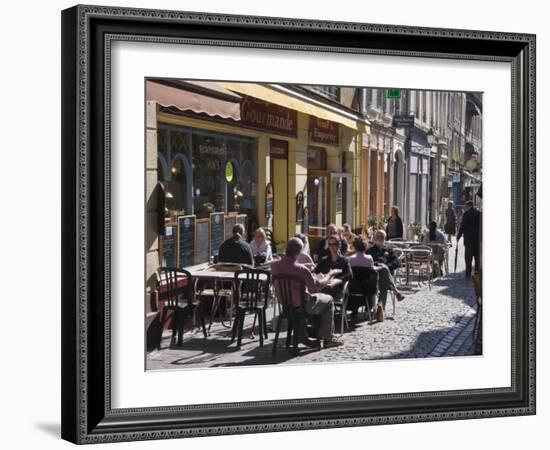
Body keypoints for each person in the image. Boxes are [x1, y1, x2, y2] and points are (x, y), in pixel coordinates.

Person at [271, 238, 343, 348]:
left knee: (312, 298)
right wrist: (330, 274)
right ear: (300, 252)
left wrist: (304, 266)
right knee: (329, 300)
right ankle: (328, 338)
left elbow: (289, 267)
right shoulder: (301, 270)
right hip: (302, 306)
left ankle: (304, 335)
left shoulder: (275, 266)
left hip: (286, 306)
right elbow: (315, 287)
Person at [366, 230, 406, 310]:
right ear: (375, 238)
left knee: (384, 280)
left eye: (382, 237)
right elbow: (367, 263)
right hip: (374, 276)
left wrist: (386, 266)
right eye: (378, 236)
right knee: (383, 273)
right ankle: (395, 292)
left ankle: (381, 308)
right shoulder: (370, 250)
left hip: (385, 278)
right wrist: (377, 265)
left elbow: (397, 262)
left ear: (385, 238)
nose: (380, 238)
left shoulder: (389, 249)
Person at [313, 235, 352, 301]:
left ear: (339, 245)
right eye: (330, 244)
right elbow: (316, 271)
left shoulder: (344, 260)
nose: (332, 246)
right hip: (323, 286)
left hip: (336, 288)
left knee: (326, 291)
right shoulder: (324, 260)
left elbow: (349, 274)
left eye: (335, 244)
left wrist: (338, 280)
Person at [456, 200, 481, 278]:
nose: (465, 208)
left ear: (469, 206)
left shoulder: (466, 214)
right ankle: (477, 272)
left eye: (466, 207)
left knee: (468, 258)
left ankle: (468, 273)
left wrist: (458, 236)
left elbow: (463, 226)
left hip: (469, 240)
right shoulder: (478, 213)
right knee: (477, 258)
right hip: (477, 240)